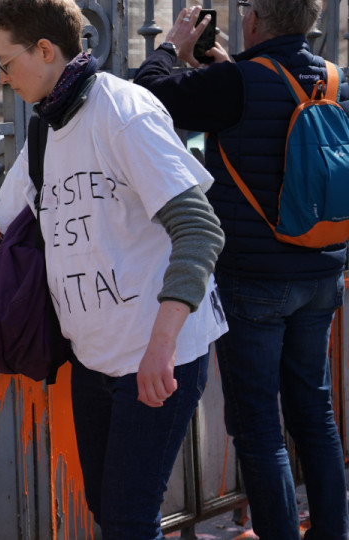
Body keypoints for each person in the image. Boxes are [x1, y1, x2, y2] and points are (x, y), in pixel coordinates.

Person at [0, 0, 227, 537]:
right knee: (106, 507)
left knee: (128, 518)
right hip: (93, 359)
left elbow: (200, 229)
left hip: (159, 353)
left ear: (45, 50)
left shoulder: (124, 112)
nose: (2, 79)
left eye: (6, 62)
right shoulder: (46, 129)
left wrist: (161, 345)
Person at [133, 2, 349, 539]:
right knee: (315, 414)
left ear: (256, 20)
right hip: (321, 274)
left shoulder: (239, 82)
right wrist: (232, 66)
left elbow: (147, 96)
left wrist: (172, 48)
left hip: (254, 279)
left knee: (258, 427)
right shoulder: (334, 80)